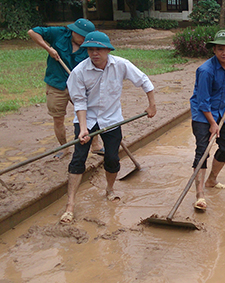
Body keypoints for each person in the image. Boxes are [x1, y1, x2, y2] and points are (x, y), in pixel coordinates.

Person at [60, 31, 156, 223]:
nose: (95, 53)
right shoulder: (80, 71)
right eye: (91, 50)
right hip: (86, 118)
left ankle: (110, 190)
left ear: (107, 50)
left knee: (112, 158)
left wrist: (151, 104)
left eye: (99, 49)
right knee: (78, 159)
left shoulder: (120, 64)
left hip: (112, 119)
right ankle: (70, 204)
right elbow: (79, 102)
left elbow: (144, 81)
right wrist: (84, 128)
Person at [28, 19, 104, 159]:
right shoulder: (59, 33)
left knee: (91, 114)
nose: (83, 39)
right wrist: (48, 48)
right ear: (74, 31)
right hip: (57, 84)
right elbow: (32, 32)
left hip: (80, 86)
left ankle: (95, 145)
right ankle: (64, 147)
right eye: (81, 36)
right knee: (58, 119)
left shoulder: (90, 45)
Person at [189, 30, 225, 210]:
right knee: (203, 152)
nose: (224, 52)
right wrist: (212, 124)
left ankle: (212, 180)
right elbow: (203, 102)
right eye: (220, 49)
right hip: (202, 115)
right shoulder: (205, 71)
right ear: (214, 50)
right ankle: (200, 195)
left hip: (221, 111)